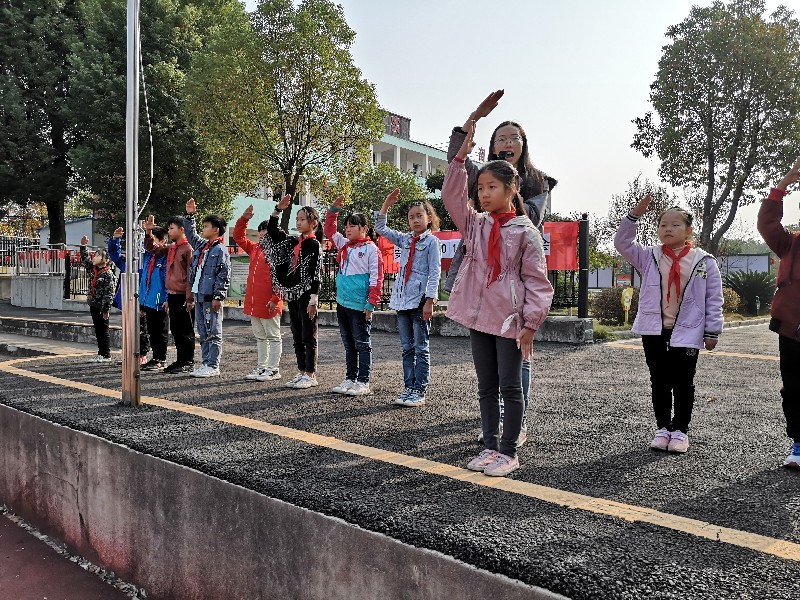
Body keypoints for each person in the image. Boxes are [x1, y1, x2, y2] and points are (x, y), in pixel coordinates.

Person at [445, 90, 558, 444]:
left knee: (513, 378)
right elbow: (454, 177)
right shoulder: (477, 216)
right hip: (481, 301)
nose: (483, 193)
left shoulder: (534, 192)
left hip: (511, 305)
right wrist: (474, 120)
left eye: (514, 138)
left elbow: (538, 279)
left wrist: (530, 322)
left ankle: (511, 437)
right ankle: (493, 438)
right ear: (492, 145)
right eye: (501, 138)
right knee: (486, 382)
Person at [615, 194, 723, 454]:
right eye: (663, 225)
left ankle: (680, 430)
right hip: (655, 330)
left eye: (675, 225)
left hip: (688, 329)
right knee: (659, 380)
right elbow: (622, 242)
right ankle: (662, 427)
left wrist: (712, 331)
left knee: (684, 381)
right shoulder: (648, 256)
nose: (668, 229)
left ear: (689, 230)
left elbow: (713, 298)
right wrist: (633, 216)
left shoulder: (704, 261)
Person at [374, 189, 442, 407]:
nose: (415, 220)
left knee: (421, 347)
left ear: (429, 218)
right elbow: (380, 228)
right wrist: (386, 205)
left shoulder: (431, 242)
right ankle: (408, 387)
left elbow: (435, 272)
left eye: (419, 216)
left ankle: (420, 389)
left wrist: (430, 300)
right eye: (411, 217)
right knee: (407, 348)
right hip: (402, 301)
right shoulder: (404, 240)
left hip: (420, 301)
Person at [756, 157, 800, 468]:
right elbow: (767, 224)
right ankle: (798, 443)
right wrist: (782, 186)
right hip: (791, 328)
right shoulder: (790, 244)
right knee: (794, 386)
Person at [325, 196, 384, 397]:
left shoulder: (371, 249)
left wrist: (371, 303)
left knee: (362, 343)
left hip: (360, 305)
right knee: (348, 343)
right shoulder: (344, 245)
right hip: (343, 303)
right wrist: (333, 211)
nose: (348, 229)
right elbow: (329, 231)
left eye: (352, 226)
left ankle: (363, 381)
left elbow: (377, 277)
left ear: (364, 228)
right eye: (347, 226)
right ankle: (350, 378)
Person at [261, 195, 322, 390]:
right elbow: (272, 231)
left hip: (306, 294)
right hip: (293, 294)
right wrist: (277, 210)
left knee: (308, 335)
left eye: (302, 219)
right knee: (296, 334)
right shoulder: (292, 242)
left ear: (313, 223)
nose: (298, 222)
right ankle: (301, 370)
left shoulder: (314, 245)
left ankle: (311, 374)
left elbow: (315, 273)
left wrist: (313, 299)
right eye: (297, 219)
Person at [233, 204, 283, 381]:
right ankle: (262, 368)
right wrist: (244, 219)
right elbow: (238, 236)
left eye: (266, 231)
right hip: (254, 302)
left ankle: (273, 369)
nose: (262, 234)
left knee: (273, 336)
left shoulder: (278, 252)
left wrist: (275, 298)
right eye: (261, 231)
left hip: (270, 301)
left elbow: (282, 279)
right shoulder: (255, 249)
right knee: (261, 337)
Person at [184, 198, 231, 378]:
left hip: (211, 297)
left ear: (216, 230)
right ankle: (205, 363)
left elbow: (223, 274)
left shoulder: (221, 250)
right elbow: (190, 234)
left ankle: (213, 364)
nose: (203, 230)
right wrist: (190, 216)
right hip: (199, 295)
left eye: (206, 226)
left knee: (213, 331)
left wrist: (218, 296)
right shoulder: (202, 246)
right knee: (202, 330)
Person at [144, 214, 196, 374]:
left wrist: (190, 297)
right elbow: (153, 248)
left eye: (171, 228)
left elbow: (191, 275)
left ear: (182, 229)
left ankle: (187, 361)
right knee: (176, 329)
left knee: (185, 329)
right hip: (172, 294)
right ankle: (180, 360)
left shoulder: (188, 248)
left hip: (183, 295)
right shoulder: (172, 248)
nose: (169, 231)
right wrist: (149, 233)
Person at [107, 227, 152, 366]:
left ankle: (142, 354)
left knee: (142, 329)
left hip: (141, 301)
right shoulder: (126, 262)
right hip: (127, 300)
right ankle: (128, 354)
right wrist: (115, 239)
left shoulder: (146, 262)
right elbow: (114, 253)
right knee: (128, 330)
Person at [79, 235, 117, 362]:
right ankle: (101, 353)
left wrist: (105, 309)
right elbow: (84, 259)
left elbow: (109, 293)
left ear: (106, 260)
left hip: (101, 306)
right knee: (98, 329)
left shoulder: (108, 274)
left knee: (103, 330)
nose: (94, 258)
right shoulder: (94, 270)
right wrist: (83, 246)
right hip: (94, 304)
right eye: (94, 255)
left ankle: (106, 354)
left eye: (98, 256)